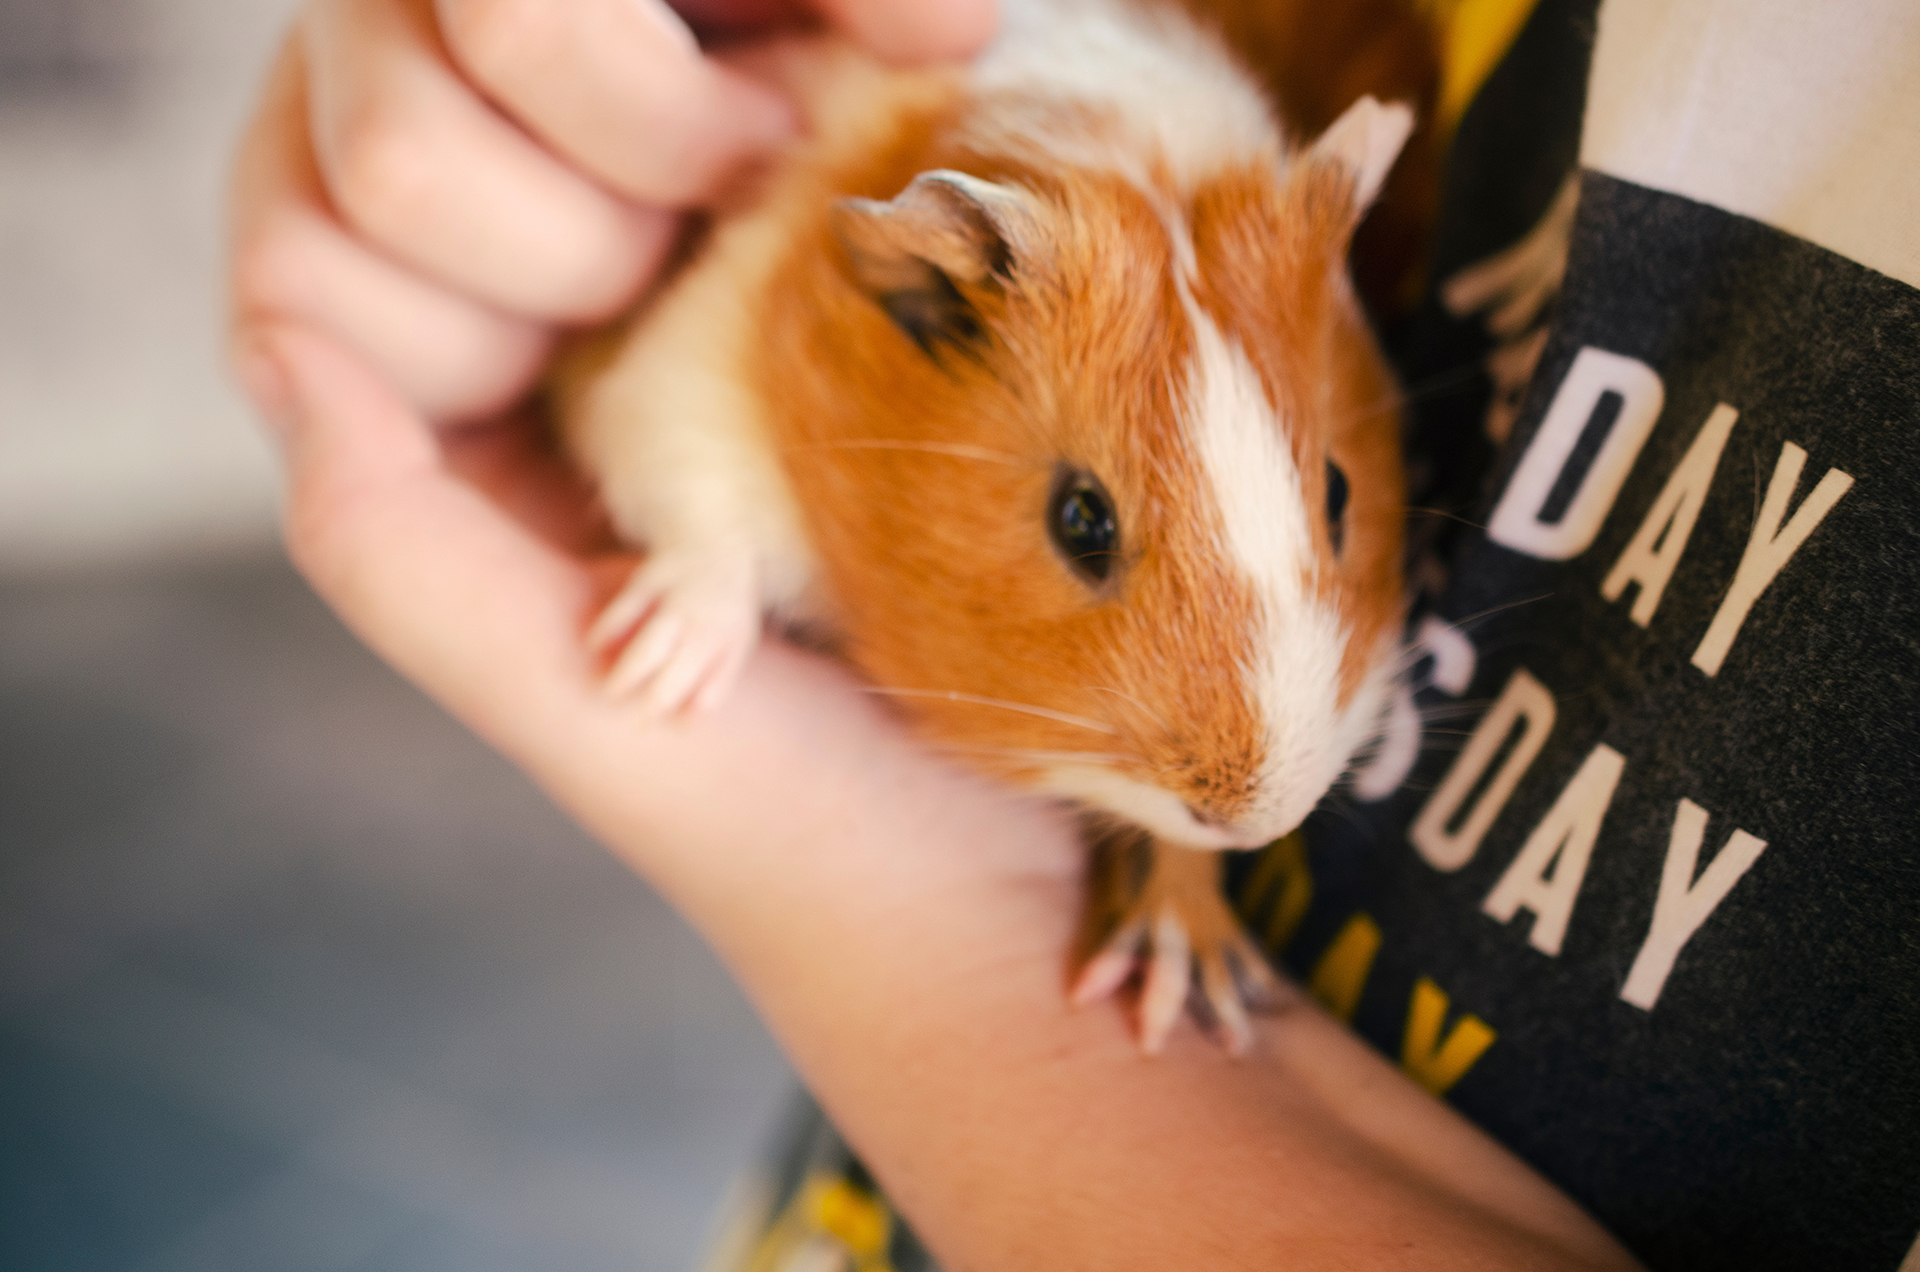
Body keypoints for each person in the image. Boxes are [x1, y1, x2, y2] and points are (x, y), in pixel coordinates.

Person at [225, 2, 1919, 1269]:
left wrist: (964, 934)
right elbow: (697, 373)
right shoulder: (867, 272)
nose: (1254, 766)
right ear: (932, 284)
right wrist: (707, 555)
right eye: (1093, 528)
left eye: (1329, 504)